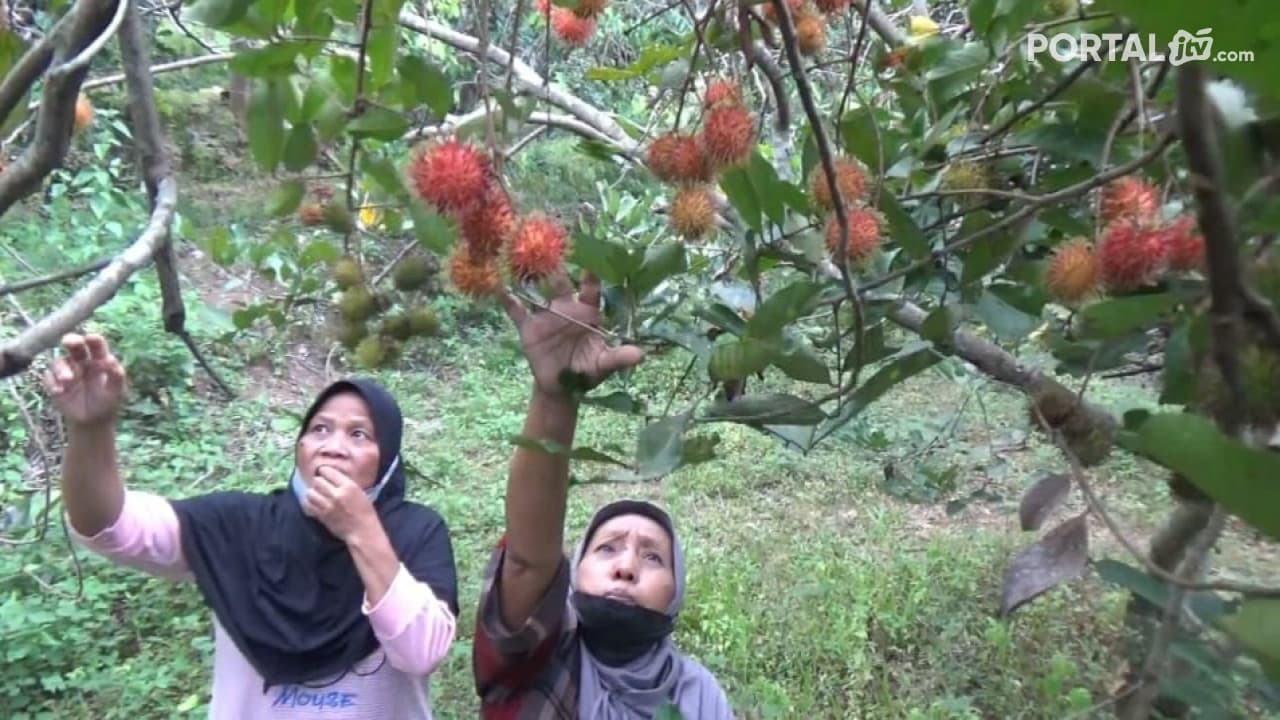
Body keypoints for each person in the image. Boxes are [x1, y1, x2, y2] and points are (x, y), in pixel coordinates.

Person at [45, 332, 459, 719]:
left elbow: (422, 651)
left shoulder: (417, 533)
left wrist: (362, 531)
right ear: (299, 448)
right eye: (319, 429)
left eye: (359, 434)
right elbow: (108, 527)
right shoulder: (240, 526)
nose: (333, 447)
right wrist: (91, 430)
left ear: (387, 459)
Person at [471, 270, 735, 719]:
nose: (626, 567)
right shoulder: (539, 659)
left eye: (653, 558)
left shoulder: (698, 695)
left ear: (677, 594)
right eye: (607, 548)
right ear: (573, 573)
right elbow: (527, 561)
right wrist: (555, 399)